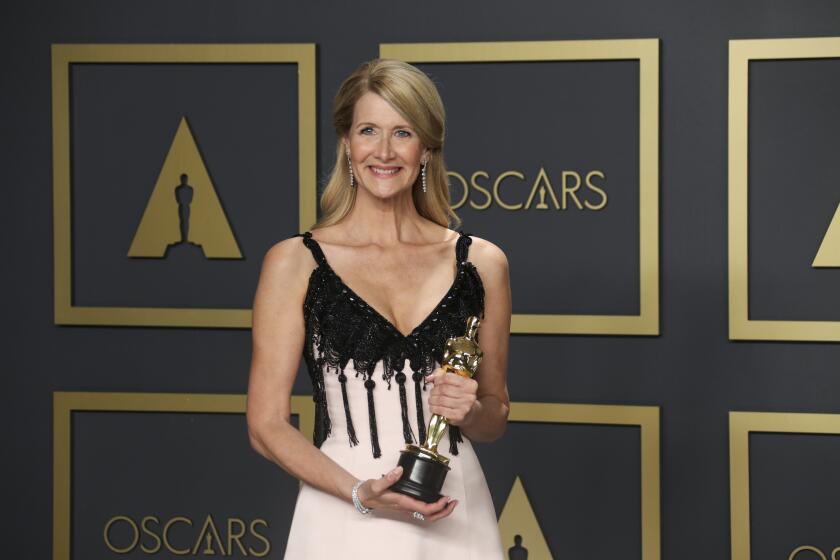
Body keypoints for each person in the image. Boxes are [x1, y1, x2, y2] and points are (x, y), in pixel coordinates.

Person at [246, 59, 511, 559]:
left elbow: (494, 415)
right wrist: (358, 492)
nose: (384, 151)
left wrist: (470, 409)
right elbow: (266, 424)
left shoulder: (483, 262)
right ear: (347, 142)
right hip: (344, 509)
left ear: (427, 147)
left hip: (455, 511)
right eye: (368, 130)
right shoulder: (295, 263)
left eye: (403, 132)